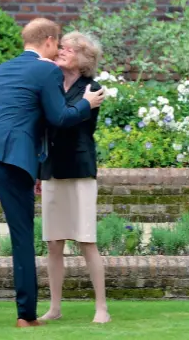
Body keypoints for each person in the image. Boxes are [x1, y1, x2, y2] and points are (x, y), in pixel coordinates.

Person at [0, 18, 105, 329]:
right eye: (57, 43)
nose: (59, 49)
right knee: (22, 239)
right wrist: (86, 104)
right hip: (11, 160)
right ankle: (26, 316)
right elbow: (59, 117)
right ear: (48, 40)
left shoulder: (2, 69)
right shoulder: (46, 69)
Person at [38, 31, 110, 324]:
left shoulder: (93, 88)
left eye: (70, 48)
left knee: (86, 240)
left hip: (79, 170)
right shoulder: (50, 83)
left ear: (84, 58)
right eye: (62, 47)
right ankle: (55, 308)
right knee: (53, 243)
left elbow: (66, 119)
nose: (62, 50)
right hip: (52, 169)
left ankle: (101, 308)